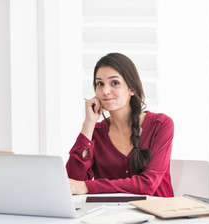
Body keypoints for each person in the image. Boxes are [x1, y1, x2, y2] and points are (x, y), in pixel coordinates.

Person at [66, 53, 174, 197]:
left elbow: (147, 185)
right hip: (110, 217)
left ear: (131, 89)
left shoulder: (160, 125)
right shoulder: (95, 133)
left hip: (158, 215)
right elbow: (72, 183)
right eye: (100, 84)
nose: (105, 91)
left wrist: (87, 187)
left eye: (114, 83)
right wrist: (89, 124)